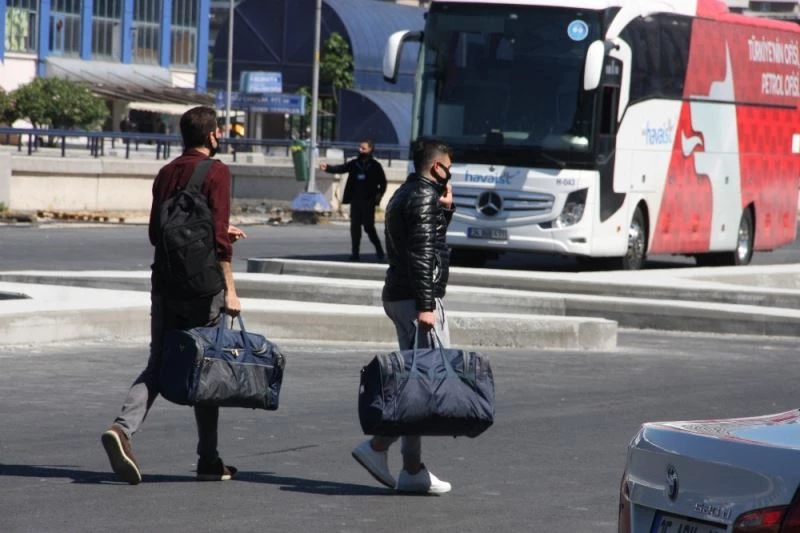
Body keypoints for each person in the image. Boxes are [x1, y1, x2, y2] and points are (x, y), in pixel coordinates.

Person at [101, 106, 247, 485]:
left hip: (165, 283)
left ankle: (122, 428)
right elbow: (217, 242)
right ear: (213, 135)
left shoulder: (165, 173)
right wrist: (230, 288)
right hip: (204, 288)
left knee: (158, 361)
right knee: (208, 366)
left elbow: (155, 233)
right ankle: (208, 459)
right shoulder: (218, 171)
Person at [351, 138, 455, 495]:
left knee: (419, 381)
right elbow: (423, 253)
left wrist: (447, 212)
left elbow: (423, 241)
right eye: (449, 166)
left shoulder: (405, 193)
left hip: (399, 294)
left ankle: (412, 469)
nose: (450, 172)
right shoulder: (424, 196)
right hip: (416, 300)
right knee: (427, 383)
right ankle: (379, 447)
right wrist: (427, 305)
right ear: (438, 167)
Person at [320, 140, 387, 262]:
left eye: (363, 148)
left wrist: (379, 196)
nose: (360, 150)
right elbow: (341, 168)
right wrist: (327, 168)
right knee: (355, 227)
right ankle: (355, 253)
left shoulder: (375, 166)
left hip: (368, 201)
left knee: (368, 227)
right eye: (360, 148)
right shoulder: (355, 164)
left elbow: (383, 183)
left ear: (370, 150)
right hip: (356, 200)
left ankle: (379, 251)